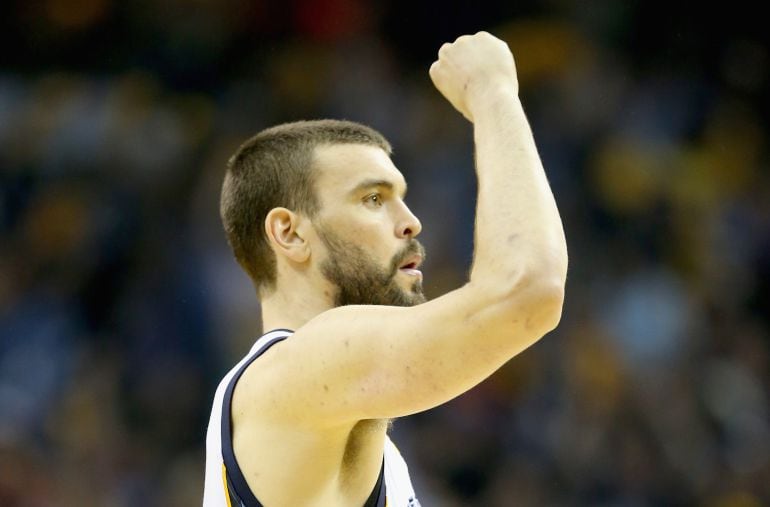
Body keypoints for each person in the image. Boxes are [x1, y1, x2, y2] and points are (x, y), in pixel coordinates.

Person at [203, 31, 568, 507]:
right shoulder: (297, 370)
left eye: (402, 197)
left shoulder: (368, 444)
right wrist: (492, 89)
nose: (411, 221)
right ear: (289, 234)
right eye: (373, 199)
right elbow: (528, 289)